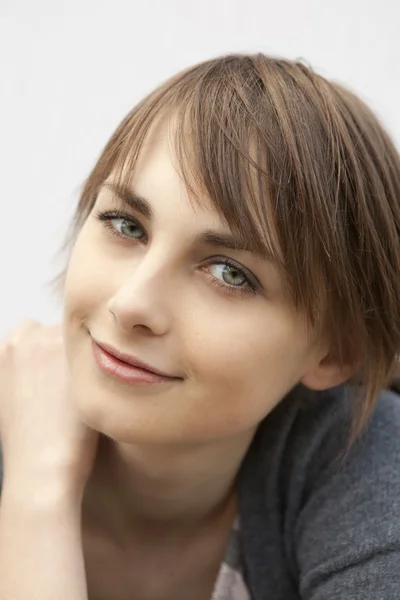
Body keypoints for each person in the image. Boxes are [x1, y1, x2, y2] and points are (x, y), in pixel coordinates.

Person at [0, 53, 399, 600]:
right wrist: (35, 485)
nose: (132, 302)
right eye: (126, 224)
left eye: (229, 273)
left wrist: (35, 498)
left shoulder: (367, 463)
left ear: (334, 352)